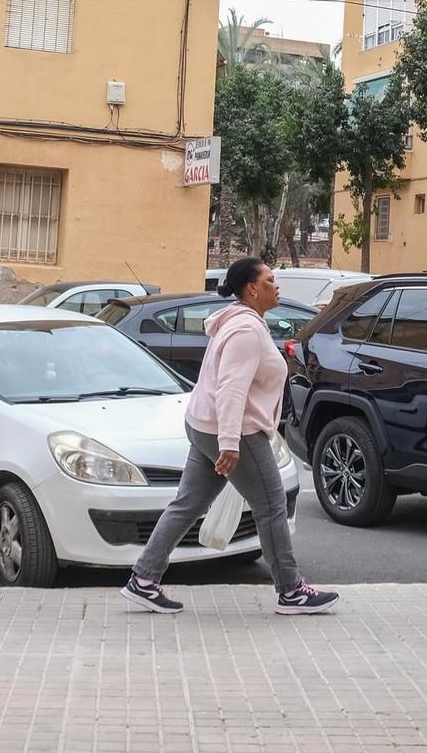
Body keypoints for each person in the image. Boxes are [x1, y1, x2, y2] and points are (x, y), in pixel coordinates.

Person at [122, 257, 339, 615]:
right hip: (234, 431)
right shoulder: (245, 331)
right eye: (271, 279)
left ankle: (142, 580)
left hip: (205, 424)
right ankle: (291, 591)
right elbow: (231, 390)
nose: (277, 285)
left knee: (188, 503)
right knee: (271, 506)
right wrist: (229, 444)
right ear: (253, 289)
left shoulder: (244, 322)